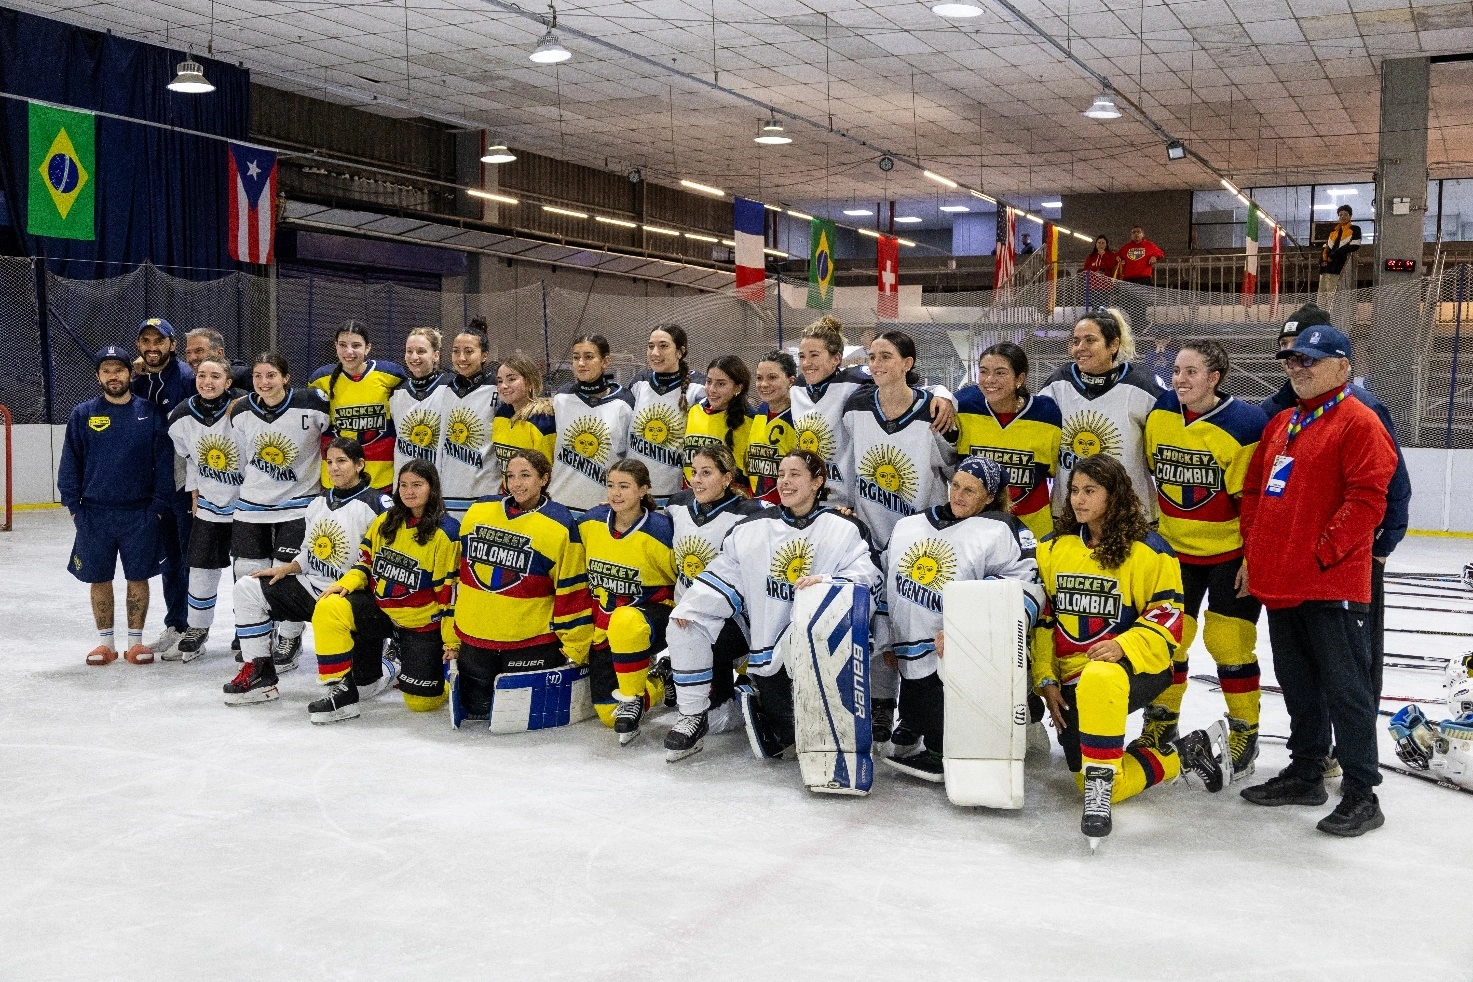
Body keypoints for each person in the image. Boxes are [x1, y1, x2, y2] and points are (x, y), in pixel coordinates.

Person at [1238, 324, 1398, 836]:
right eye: (1292, 360)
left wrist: (1323, 553)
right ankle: (1307, 771)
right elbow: (1255, 492)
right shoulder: (1283, 422)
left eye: (1310, 359)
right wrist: (1258, 550)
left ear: (1342, 365)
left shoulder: (1359, 421)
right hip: (1283, 581)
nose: (1297, 368)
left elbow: (1369, 500)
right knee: (1298, 683)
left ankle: (1362, 792)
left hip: (1331, 584)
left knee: (1347, 690)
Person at [1033, 454, 1227, 844]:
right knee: (1085, 779)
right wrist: (1046, 679)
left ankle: (1099, 793)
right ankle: (1184, 753)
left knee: (1101, 676)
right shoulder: (1052, 548)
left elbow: (1168, 616)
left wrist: (1123, 644)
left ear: (1115, 495)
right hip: (1071, 678)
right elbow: (1044, 621)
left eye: (1090, 491)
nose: (1078, 499)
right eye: (1074, 490)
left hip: (1137, 668)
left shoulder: (1151, 550)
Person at [666, 449, 883, 759]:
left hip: (818, 649)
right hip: (765, 646)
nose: (785, 481)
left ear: (817, 482)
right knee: (684, 624)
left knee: (799, 736)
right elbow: (726, 571)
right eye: (781, 475)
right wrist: (693, 607)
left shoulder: (844, 527)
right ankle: (693, 715)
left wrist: (830, 584)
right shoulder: (752, 527)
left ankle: (786, 712)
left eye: (795, 474)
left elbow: (868, 575)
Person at [1262, 304, 1410, 720]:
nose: (1295, 361)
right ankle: (1311, 742)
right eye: (1287, 349)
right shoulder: (1278, 410)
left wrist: (1382, 545)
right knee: (1298, 666)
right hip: (1290, 564)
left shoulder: (1361, 408)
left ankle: (1352, 745)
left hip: (1344, 560)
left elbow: (1390, 485)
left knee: (1351, 667)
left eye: (1304, 350)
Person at [1140, 341, 1268, 781]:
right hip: (1174, 550)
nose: (1179, 379)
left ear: (1215, 378)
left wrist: (1253, 556)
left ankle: (1245, 729)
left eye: (1191, 371)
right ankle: (1161, 721)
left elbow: (1253, 502)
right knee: (1169, 639)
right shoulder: (1160, 413)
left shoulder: (1245, 424)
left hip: (1231, 552)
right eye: (1176, 370)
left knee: (1229, 641)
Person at [873, 455, 1045, 781]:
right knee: (919, 703)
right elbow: (887, 585)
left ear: (990, 497)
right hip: (910, 648)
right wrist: (886, 640)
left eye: (970, 490)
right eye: (955, 485)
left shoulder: (1003, 529)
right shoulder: (909, 525)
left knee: (947, 715)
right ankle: (916, 719)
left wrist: (965, 629)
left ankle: (947, 748)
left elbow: (1026, 588)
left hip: (967, 654)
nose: (958, 495)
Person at [843, 329, 960, 741]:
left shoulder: (934, 410)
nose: (875, 364)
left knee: (917, 627)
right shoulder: (856, 406)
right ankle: (880, 705)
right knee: (875, 623)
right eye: (872, 356)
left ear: (908, 364)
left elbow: (952, 468)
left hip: (920, 542)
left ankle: (914, 712)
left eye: (886, 356)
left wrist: (944, 393)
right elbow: (846, 462)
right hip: (871, 534)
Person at [223, 439, 390, 706]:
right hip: (313, 589)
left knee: (364, 688)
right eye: (330, 462)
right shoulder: (318, 503)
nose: (334, 468)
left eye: (342, 461)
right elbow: (309, 551)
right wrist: (289, 568)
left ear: (360, 464)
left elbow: (385, 561)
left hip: (351, 600)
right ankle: (259, 673)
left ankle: (391, 664)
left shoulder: (379, 505)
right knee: (248, 588)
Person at [308, 460, 460, 723]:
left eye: (417, 485)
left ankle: (408, 667)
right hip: (383, 612)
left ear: (432, 488)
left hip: (421, 625)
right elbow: (365, 563)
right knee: (330, 606)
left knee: (421, 704)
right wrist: (348, 582)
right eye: (403, 485)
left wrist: (451, 642)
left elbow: (450, 596)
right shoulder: (385, 521)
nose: (409, 492)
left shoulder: (446, 533)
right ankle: (341, 688)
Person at [451, 448, 593, 721]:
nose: (516, 483)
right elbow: (458, 577)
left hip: (531, 641)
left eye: (525, 475)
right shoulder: (480, 509)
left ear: (544, 479)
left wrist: (576, 645)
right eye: (511, 476)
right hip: (476, 636)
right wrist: (452, 636)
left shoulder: (559, 523)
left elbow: (571, 588)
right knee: (477, 710)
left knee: (516, 715)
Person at [60, 345, 174, 666]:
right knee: (99, 578)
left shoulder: (149, 413)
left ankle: (135, 643)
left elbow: (164, 464)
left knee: (138, 577)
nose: (113, 376)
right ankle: (106, 644)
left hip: (140, 514)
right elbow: (70, 463)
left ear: (130, 373)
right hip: (94, 514)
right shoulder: (83, 414)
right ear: (98, 376)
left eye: (119, 370)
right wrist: (74, 508)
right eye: (106, 370)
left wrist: (157, 507)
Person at [228, 352, 333, 671]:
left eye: (271, 375)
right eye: (258, 376)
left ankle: (290, 638)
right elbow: (241, 457)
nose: (264, 382)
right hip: (251, 507)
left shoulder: (312, 404)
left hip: (299, 505)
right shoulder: (242, 410)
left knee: (285, 574)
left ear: (286, 377)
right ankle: (260, 641)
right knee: (247, 574)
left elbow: (333, 440)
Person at [662, 444, 769, 759]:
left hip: (733, 619)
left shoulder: (750, 513)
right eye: (694, 472)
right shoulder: (678, 504)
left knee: (720, 717)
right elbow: (645, 515)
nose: (696, 480)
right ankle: (683, 683)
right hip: (686, 616)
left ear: (727, 478)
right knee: (717, 718)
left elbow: (792, 519)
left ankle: (745, 691)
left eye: (706, 473)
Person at [791, 316, 953, 510]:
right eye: (801, 356)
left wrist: (943, 394)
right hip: (811, 497)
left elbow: (902, 386)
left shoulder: (855, 382)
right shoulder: (796, 388)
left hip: (846, 503)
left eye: (814, 355)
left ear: (836, 359)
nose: (806, 363)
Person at [578, 459, 677, 743]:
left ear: (643, 490)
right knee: (609, 714)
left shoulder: (662, 531)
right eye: (611, 486)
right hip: (605, 627)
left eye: (624, 486)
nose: (615, 493)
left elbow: (684, 580)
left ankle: (636, 692)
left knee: (628, 622)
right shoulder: (591, 522)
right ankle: (661, 679)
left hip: (653, 620)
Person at [1040, 308, 1161, 523]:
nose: (1080, 348)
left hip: (1130, 514)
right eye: (1076, 341)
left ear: (1113, 345)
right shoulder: (1057, 384)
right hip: (1071, 514)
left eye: (1090, 340)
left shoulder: (1144, 385)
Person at [164, 355, 248, 661]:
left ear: (228, 382)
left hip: (248, 508)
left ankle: (249, 630)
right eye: (202, 375)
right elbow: (189, 459)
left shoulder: (245, 410)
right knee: (201, 569)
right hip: (210, 508)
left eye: (215, 376)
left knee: (247, 571)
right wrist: (195, 492)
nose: (207, 382)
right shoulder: (181, 415)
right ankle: (197, 628)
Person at [132, 317, 197, 659]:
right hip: (155, 486)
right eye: (146, 341)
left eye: (159, 341)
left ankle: (193, 630)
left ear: (172, 345)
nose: (152, 347)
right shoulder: (140, 379)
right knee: (169, 557)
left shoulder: (185, 378)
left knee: (188, 558)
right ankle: (176, 624)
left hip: (184, 483)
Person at [954, 342, 1062, 541]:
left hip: (1033, 528)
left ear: (1019, 378)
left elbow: (1055, 468)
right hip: (975, 526)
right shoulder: (963, 405)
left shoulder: (1047, 414)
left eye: (1000, 373)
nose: (989, 380)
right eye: (983, 371)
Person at [309, 321, 407, 492]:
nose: (349, 351)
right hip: (337, 479)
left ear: (367, 348)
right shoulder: (320, 379)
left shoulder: (391, 374)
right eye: (343, 345)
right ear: (335, 346)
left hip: (381, 476)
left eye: (356, 345)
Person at [549, 334, 635, 514]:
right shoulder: (561, 398)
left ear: (605, 361)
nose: (581, 363)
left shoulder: (624, 402)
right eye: (576, 357)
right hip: (559, 503)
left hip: (603, 507)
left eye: (589, 357)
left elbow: (631, 458)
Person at [629, 324, 705, 504]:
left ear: (680, 351)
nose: (655, 353)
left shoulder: (699, 387)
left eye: (663, 346)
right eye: (651, 346)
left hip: (678, 497)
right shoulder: (639, 382)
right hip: (636, 496)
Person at [438, 325, 500, 516]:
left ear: (484, 355)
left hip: (486, 490)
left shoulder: (498, 389)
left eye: (469, 351)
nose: (461, 358)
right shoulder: (445, 389)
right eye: (456, 351)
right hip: (448, 492)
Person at [683, 355, 753, 487]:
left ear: (738, 388)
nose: (712, 389)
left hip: (730, 497)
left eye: (721, 384)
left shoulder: (750, 420)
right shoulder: (694, 411)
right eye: (709, 382)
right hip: (692, 494)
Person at [491, 354, 557, 491]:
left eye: (511, 379)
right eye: (499, 381)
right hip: (510, 496)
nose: (503, 386)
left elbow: (548, 473)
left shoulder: (542, 420)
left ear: (530, 382)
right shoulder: (501, 415)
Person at [390, 327, 448, 480]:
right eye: (409, 351)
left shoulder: (450, 387)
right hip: (405, 483)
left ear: (435, 355)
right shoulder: (397, 392)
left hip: (439, 482)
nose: (414, 357)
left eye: (421, 351)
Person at [747, 350, 799, 503]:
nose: (763, 384)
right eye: (759, 378)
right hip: (757, 507)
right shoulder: (760, 411)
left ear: (791, 381)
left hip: (787, 508)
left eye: (772, 377)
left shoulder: (799, 418)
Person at [1115, 226, 1164, 331]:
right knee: (1127, 302)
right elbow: (1117, 255)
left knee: (1141, 302)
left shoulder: (1149, 245)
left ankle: (1139, 325)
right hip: (1129, 279)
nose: (1136, 234)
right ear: (1131, 235)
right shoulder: (1126, 247)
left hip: (1143, 278)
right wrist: (1117, 258)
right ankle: (1139, 323)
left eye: (1138, 232)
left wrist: (1154, 256)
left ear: (1142, 234)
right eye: (1134, 232)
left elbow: (1160, 253)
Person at [184, 327, 253, 390]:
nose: (192, 357)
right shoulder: (189, 379)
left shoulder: (243, 376)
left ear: (219, 353)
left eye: (199, 351)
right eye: (188, 352)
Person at [1318, 205, 1362, 301]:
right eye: (1340, 214)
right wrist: (1322, 260)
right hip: (1326, 269)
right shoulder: (1334, 231)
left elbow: (1354, 245)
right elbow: (1326, 247)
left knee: (1334, 298)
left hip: (1339, 269)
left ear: (1350, 216)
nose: (1342, 216)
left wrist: (1334, 255)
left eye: (1345, 214)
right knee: (1322, 298)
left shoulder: (1355, 229)